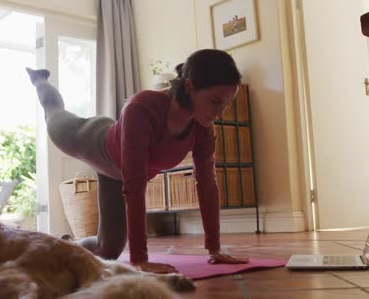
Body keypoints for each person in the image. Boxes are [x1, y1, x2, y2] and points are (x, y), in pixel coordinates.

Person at [27, 49, 249, 274]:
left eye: (226, 104)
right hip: (91, 140)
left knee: (107, 251)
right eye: (215, 101)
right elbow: (134, 185)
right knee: (54, 115)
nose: (219, 113)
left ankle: (66, 246)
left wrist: (214, 249)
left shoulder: (202, 126)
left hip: (116, 171)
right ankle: (40, 80)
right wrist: (140, 259)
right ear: (190, 86)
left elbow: (207, 183)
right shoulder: (141, 108)